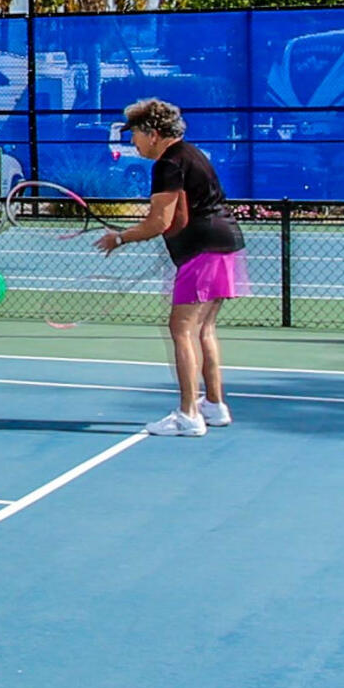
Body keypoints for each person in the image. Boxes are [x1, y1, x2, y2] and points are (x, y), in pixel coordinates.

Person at [96, 96, 243, 436]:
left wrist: (120, 238)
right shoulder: (192, 154)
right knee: (203, 328)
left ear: (152, 132)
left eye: (134, 133)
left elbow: (158, 222)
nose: (132, 141)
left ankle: (189, 415)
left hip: (202, 249)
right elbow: (174, 217)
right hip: (224, 242)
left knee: (181, 329)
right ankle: (215, 406)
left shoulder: (168, 164)